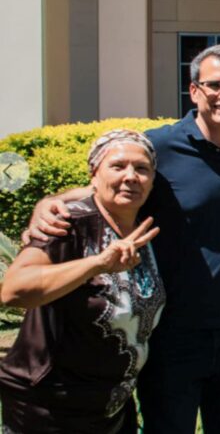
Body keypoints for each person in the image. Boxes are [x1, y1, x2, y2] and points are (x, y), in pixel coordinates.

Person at [23, 43, 220, 432]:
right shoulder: (163, 145)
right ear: (194, 91)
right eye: (215, 85)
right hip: (173, 335)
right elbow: (112, 183)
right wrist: (50, 201)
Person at [0, 130, 165, 433]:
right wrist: (97, 264)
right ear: (93, 174)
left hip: (111, 410)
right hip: (49, 410)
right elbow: (14, 289)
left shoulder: (146, 226)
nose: (130, 176)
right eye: (117, 166)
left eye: (141, 168)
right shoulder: (67, 224)